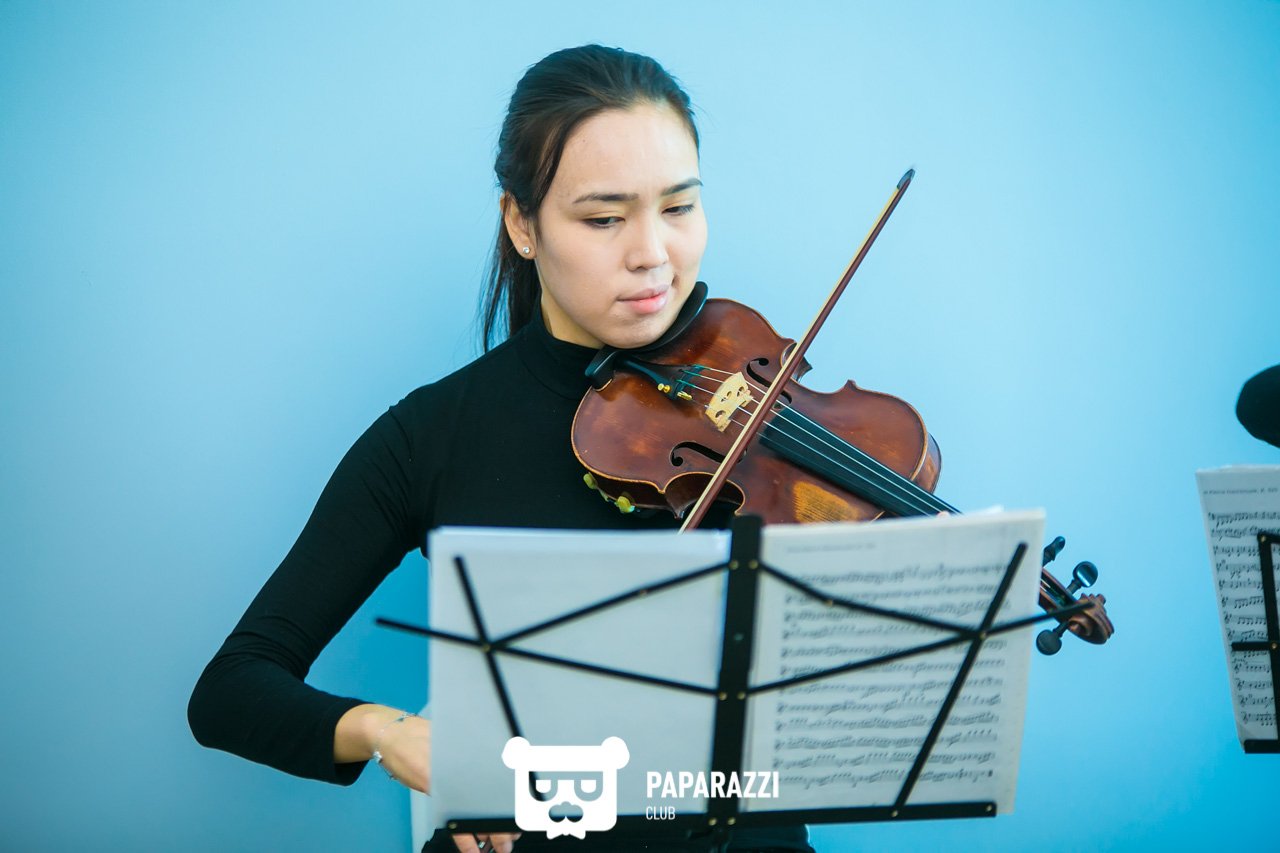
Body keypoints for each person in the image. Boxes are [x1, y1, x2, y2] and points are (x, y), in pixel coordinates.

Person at [188, 44, 815, 853]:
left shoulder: (758, 405)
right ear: (521, 223)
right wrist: (390, 731)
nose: (652, 253)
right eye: (604, 218)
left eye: (679, 207)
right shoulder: (431, 435)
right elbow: (231, 689)